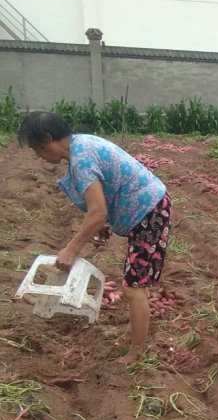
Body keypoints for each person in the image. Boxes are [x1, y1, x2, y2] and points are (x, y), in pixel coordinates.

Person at [18, 111, 171, 366]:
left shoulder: (82, 159)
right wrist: (103, 226)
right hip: (147, 210)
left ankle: (136, 353)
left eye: (37, 148)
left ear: (48, 138)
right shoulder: (82, 146)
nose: (39, 156)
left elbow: (97, 212)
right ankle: (135, 334)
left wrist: (71, 248)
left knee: (134, 288)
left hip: (149, 211)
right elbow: (107, 196)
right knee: (134, 285)